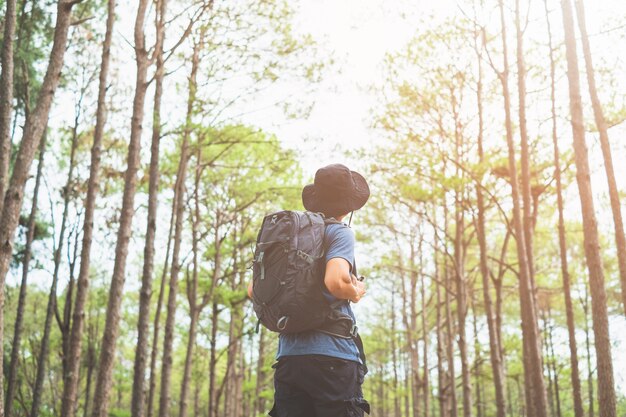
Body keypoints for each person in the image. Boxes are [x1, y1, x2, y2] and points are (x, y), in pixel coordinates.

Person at [249, 163, 371, 417]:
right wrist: (355, 291)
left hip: (289, 359)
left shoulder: (290, 238)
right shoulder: (339, 232)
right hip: (333, 359)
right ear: (348, 207)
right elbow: (336, 281)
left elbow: (253, 290)